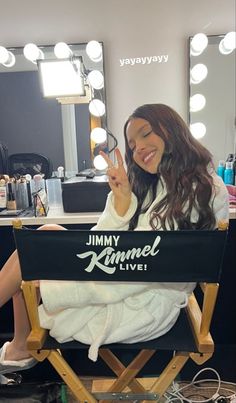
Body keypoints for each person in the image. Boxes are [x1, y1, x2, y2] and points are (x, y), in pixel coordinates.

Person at [0, 104, 229, 369]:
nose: (139, 148)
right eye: (132, 144)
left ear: (173, 130)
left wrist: (62, 285)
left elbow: (148, 264)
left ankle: (19, 349)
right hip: (128, 280)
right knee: (41, 242)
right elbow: (109, 243)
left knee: (33, 264)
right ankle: (20, 346)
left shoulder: (202, 190)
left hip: (142, 303)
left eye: (146, 134)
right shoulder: (158, 183)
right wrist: (121, 202)